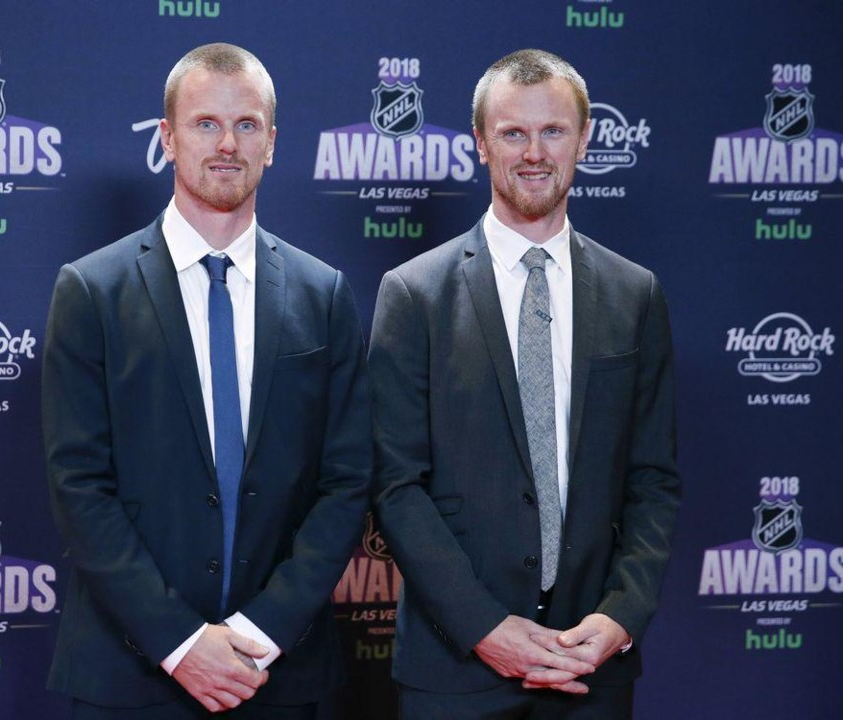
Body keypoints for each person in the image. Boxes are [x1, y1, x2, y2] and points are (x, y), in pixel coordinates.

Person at [42, 43, 371, 719]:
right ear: (167, 137)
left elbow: (346, 483)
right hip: (129, 674)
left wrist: (259, 633)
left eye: (247, 125)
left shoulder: (323, 294)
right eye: (205, 124)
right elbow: (79, 487)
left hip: (279, 675)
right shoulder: (90, 291)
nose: (227, 143)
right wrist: (181, 642)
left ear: (273, 143)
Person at [369, 49, 680, 718]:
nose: (534, 152)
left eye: (553, 131)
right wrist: (486, 628)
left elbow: (653, 481)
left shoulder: (636, 294)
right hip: (454, 670)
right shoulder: (413, 295)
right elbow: (395, 486)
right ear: (481, 143)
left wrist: (621, 616)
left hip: (590, 668)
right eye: (513, 132)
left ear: (585, 139)